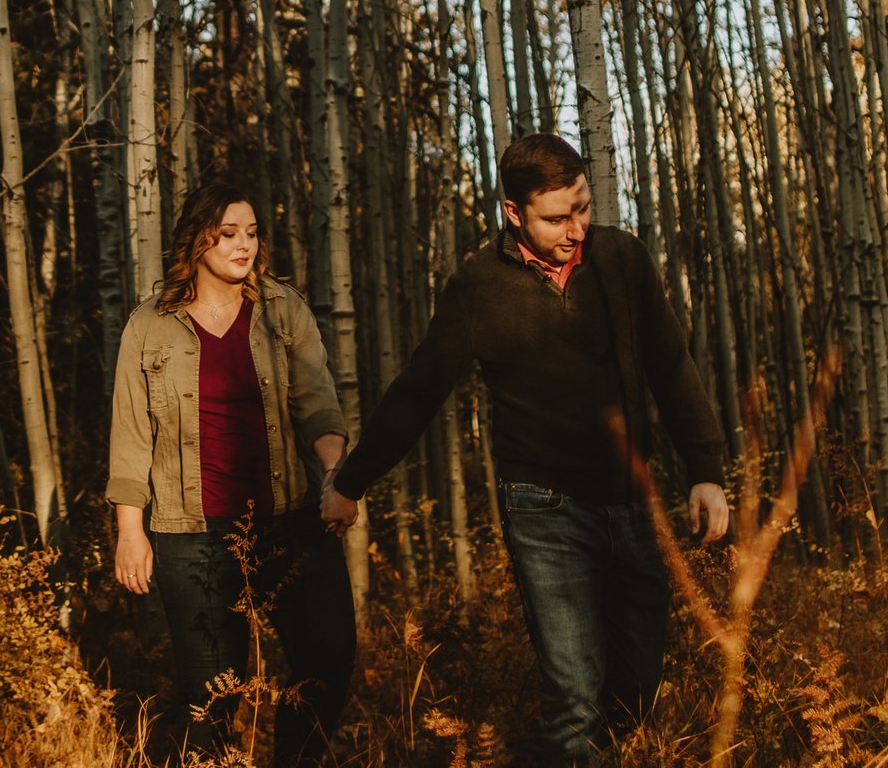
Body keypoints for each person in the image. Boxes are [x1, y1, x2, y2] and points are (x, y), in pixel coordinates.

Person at [320, 133, 728, 767]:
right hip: (545, 510)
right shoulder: (478, 288)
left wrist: (705, 469)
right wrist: (351, 482)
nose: (576, 229)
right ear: (514, 213)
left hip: (632, 503)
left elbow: (671, 366)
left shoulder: (622, 259)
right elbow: (417, 392)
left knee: (639, 694)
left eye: (584, 208)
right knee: (575, 701)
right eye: (558, 218)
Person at [108, 176, 358, 765]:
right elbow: (130, 435)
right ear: (198, 241)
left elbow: (317, 402)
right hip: (191, 536)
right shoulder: (150, 325)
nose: (243, 246)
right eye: (228, 234)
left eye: (251, 233)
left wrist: (335, 477)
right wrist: (130, 530)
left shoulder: (282, 309)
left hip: (289, 520)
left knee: (329, 657)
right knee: (211, 695)